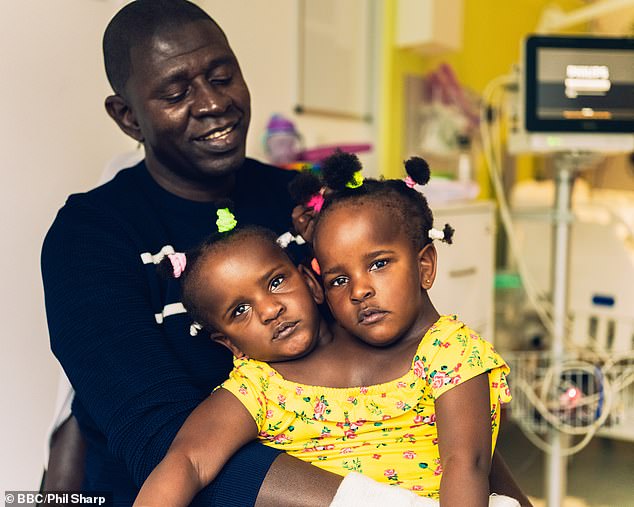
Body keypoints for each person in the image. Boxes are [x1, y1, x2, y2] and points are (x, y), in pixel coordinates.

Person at [41, 1, 530, 505]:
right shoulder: (89, 238)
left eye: (222, 75)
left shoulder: (304, 203)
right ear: (128, 117)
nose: (212, 103)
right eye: (176, 92)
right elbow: (163, 444)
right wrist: (378, 502)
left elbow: (421, 381)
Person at [132, 155, 520, 507]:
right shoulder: (262, 386)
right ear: (229, 343)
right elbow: (188, 460)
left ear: (425, 266)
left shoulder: (449, 353)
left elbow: (466, 465)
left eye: (379, 264)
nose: (360, 289)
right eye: (339, 280)